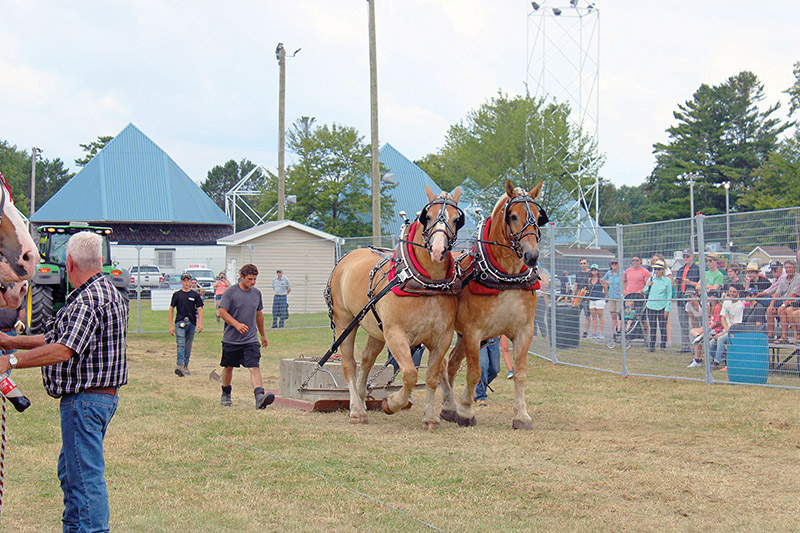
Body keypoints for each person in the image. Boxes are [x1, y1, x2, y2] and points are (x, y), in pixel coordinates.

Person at [0, 231, 127, 532]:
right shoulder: (104, 292)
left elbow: (63, 349)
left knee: (84, 476)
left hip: (84, 400)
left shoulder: (86, 300)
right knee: (72, 472)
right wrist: (9, 339)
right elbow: (55, 337)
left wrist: (11, 360)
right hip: (99, 399)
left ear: (68, 263)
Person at [218, 263, 275, 409]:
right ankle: (226, 394)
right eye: (250, 279)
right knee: (228, 367)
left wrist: (262, 335)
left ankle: (260, 397)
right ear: (241, 277)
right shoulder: (230, 292)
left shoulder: (257, 294)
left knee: (254, 367)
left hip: (250, 339)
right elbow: (222, 312)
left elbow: (259, 315)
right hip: (231, 340)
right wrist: (236, 324)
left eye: (255, 279)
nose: (253, 282)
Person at [169, 272, 204, 377]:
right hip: (180, 322)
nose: (186, 283)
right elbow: (171, 309)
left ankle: (185, 366)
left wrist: (200, 324)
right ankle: (179, 365)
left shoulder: (195, 295)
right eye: (184, 280)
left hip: (192, 323)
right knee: (181, 344)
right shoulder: (176, 295)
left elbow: (200, 309)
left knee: (188, 346)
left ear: (191, 282)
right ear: (181, 282)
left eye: (188, 280)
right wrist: (171, 325)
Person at [757, 259, 799, 341]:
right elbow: (777, 293)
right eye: (786, 268)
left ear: (794, 268)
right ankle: (770, 336)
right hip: (784, 303)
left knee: (781, 309)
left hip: (793, 304)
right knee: (770, 310)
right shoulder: (783, 280)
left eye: (790, 267)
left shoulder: (798, 278)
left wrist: (783, 305)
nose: (788, 270)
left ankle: (784, 336)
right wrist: (771, 305)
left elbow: (793, 294)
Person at [710, 283, 745, 369]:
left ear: (738, 293)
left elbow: (737, 324)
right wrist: (725, 330)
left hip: (735, 332)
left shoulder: (740, 306)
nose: (731, 293)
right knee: (711, 343)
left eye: (734, 292)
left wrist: (724, 332)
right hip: (726, 330)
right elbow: (723, 318)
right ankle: (722, 357)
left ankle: (716, 362)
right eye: (730, 291)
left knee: (720, 339)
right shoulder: (726, 302)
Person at [688, 290, 724, 368]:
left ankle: (697, 360)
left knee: (700, 338)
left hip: (716, 330)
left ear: (715, 297)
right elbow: (708, 320)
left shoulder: (718, 307)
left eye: (710, 296)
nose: (709, 298)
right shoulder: (710, 306)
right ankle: (698, 337)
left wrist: (708, 328)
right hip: (709, 328)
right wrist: (704, 328)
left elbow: (716, 322)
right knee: (693, 331)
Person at [674, 249, 701, 353]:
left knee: (696, 323)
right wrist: (676, 282)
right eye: (684, 256)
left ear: (692, 257)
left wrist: (690, 282)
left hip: (692, 300)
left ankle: (698, 346)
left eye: (687, 256)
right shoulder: (681, 269)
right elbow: (677, 285)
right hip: (681, 298)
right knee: (683, 323)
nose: (686, 258)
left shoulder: (697, 269)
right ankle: (685, 346)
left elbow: (699, 285)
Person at [643, 260, 671, 352]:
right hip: (651, 305)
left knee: (662, 326)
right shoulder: (651, 279)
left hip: (662, 306)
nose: (657, 271)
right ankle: (652, 346)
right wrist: (648, 286)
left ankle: (663, 346)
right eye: (655, 269)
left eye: (659, 269)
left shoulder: (667, 281)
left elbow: (669, 295)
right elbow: (645, 291)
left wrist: (667, 308)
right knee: (653, 326)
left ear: (662, 270)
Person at [474, 337, 501, 407]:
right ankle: (481, 396)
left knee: (495, 369)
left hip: (494, 336)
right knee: (483, 366)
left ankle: (477, 388)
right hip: (480, 336)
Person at [602, 258, 621, 337]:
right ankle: (614, 333)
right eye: (612, 263)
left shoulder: (621, 273)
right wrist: (608, 283)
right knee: (613, 316)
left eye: (615, 263)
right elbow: (603, 280)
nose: (614, 265)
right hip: (611, 296)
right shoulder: (609, 273)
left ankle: (620, 331)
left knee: (620, 315)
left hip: (619, 297)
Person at [573, 259, 591, 338]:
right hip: (578, 295)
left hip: (586, 297)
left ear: (587, 264)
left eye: (584, 263)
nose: (583, 265)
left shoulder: (590, 273)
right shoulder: (578, 273)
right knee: (576, 314)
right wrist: (573, 296)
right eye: (581, 263)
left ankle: (585, 331)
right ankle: (575, 331)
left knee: (587, 315)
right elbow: (576, 285)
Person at [587, 264, 605, 338]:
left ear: (598, 271)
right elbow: (589, 288)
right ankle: (594, 332)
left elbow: (605, 288)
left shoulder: (600, 280)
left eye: (595, 270)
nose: (594, 271)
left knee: (600, 316)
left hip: (599, 299)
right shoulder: (589, 280)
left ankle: (601, 333)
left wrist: (604, 297)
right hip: (592, 299)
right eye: (592, 270)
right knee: (593, 317)